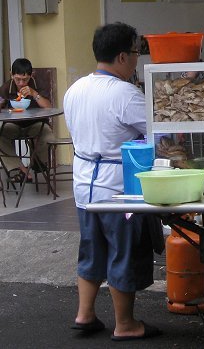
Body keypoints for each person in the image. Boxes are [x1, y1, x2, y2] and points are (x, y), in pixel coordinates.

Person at [63, 23, 163, 341]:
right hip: (118, 190)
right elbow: (159, 132)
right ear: (122, 56)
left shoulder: (75, 89)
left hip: (83, 187)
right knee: (124, 251)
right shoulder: (125, 94)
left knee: (92, 250)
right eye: (135, 53)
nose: (137, 60)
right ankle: (125, 324)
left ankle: (85, 314)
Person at [0, 58, 54, 181]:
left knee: (47, 135)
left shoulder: (37, 84)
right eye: (17, 79)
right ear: (11, 74)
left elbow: (49, 107)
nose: (21, 83)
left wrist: (34, 94)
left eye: (25, 79)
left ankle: (38, 163)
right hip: (14, 124)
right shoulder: (7, 87)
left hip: (35, 124)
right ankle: (20, 169)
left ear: (31, 75)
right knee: (1, 135)